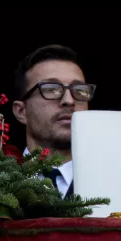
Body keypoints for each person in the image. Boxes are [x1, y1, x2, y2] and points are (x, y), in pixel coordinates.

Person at [11, 44, 95, 198]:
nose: (69, 100)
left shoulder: (118, 179)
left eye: (79, 90)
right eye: (51, 89)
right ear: (21, 111)